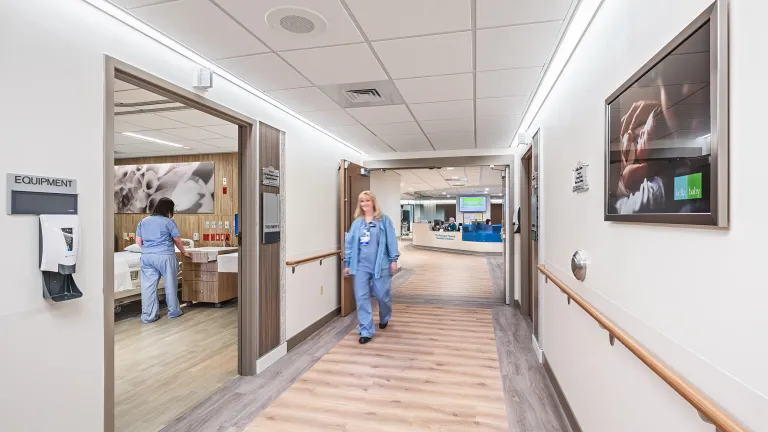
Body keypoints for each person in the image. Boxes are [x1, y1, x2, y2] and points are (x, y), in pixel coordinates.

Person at [344, 191, 400, 344]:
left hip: (380, 265)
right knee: (361, 298)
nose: (364, 204)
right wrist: (347, 264)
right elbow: (349, 245)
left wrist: (393, 260)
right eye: (362, 201)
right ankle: (366, 331)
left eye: (367, 200)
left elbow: (391, 241)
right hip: (360, 266)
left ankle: (385, 316)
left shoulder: (384, 221)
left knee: (382, 295)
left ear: (373, 202)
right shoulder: (357, 223)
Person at [135, 197, 190, 324]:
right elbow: (177, 240)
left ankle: (149, 316)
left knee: (148, 287)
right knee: (170, 284)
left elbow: (138, 241)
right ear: (168, 209)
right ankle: (174, 312)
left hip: (147, 257)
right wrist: (184, 252)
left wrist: (149, 250)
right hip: (165, 256)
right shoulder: (169, 222)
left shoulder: (143, 221)